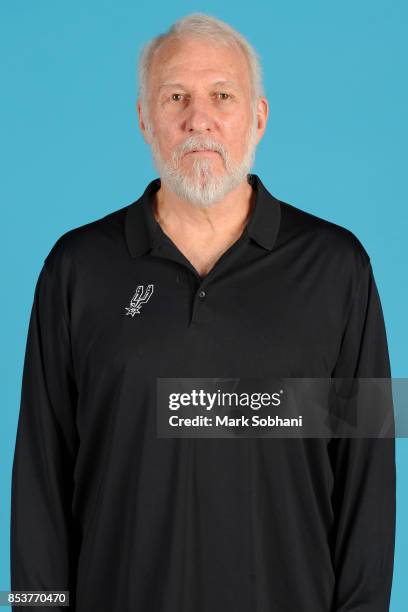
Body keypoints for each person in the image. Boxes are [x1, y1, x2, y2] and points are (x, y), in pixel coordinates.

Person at [10, 12, 396, 612]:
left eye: (222, 95)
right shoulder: (77, 268)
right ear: (145, 118)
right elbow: (40, 476)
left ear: (258, 117)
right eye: (175, 97)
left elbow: (367, 479)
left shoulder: (336, 266)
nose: (200, 119)